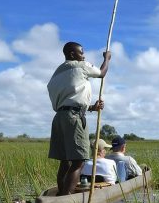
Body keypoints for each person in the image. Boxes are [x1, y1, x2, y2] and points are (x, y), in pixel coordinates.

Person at [47, 41, 111, 195]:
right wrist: (107, 58)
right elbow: (101, 73)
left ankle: (62, 194)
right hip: (74, 118)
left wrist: (91, 108)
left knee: (65, 161)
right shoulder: (80, 66)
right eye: (81, 52)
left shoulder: (56, 74)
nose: (84, 56)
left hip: (59, 118)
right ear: (72, 54)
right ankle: (65, 198)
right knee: (79, 161)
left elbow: (68, 99)